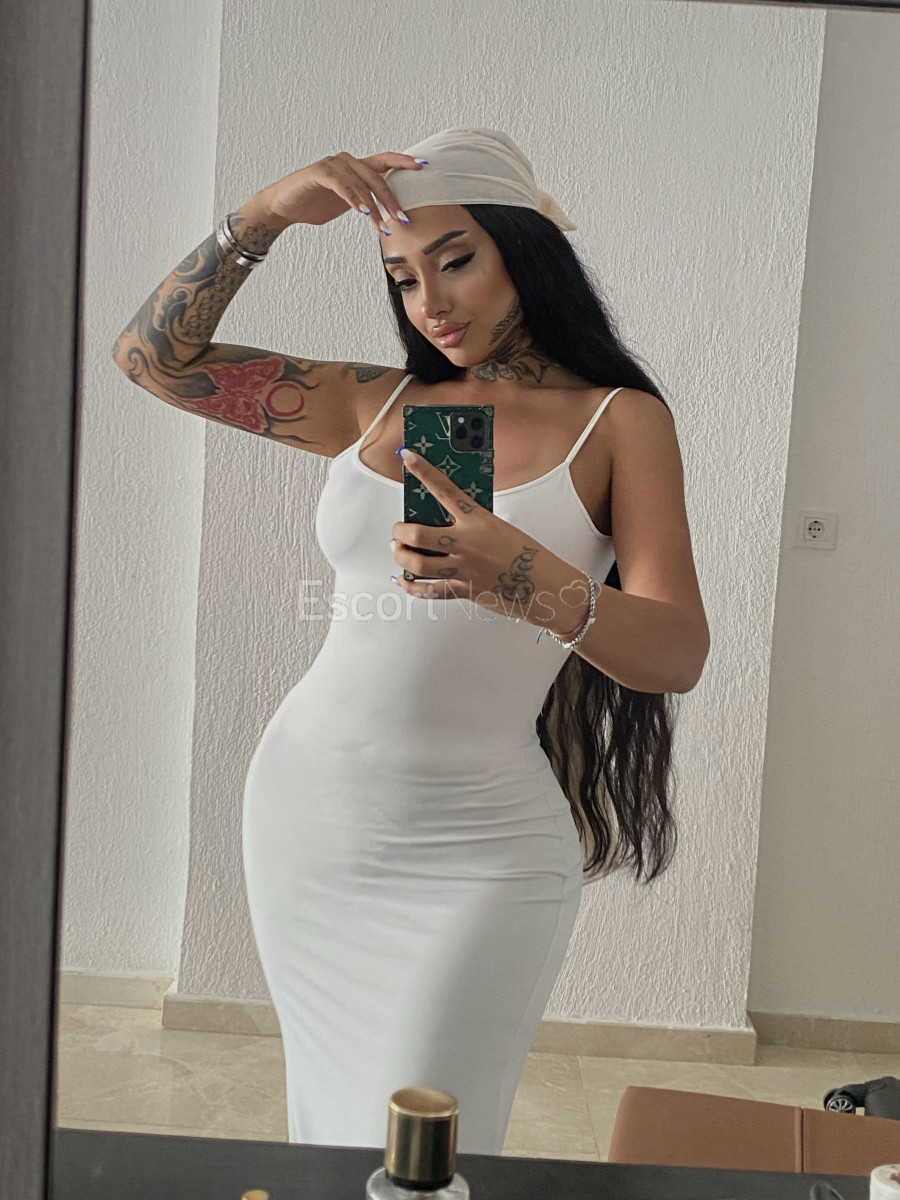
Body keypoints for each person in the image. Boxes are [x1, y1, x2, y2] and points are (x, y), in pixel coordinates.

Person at [113, 128, 710, 1154]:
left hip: (482, 843)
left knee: (429, 1135)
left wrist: (528, 580)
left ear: (526, 251)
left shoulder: (617, 422)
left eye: (456, 259)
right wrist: (262, 216)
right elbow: (151, 360)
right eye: (401, 275)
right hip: (310, 813)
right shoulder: (380, 404)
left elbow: (676, 652)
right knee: (334, 1132)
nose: (430, 301)